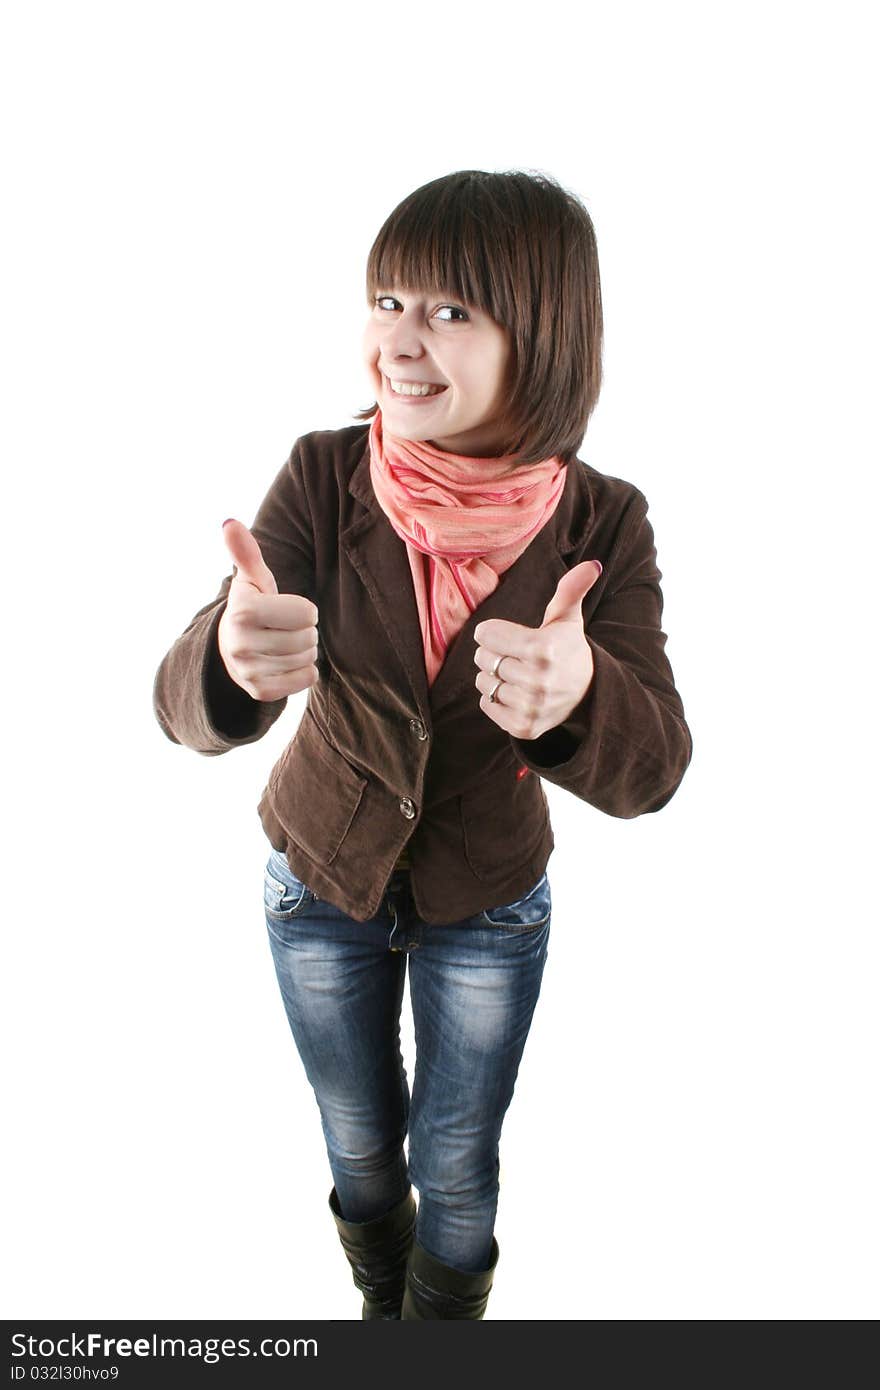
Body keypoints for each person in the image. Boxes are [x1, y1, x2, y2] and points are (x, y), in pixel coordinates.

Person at [152, 168, 693, 1320]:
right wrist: (225, 655)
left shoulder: (605, 519)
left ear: (541, 338)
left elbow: (654, 772)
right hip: (317, 885)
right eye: (387, 299)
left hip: (487, 904)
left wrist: (582, 689)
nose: (399, 342)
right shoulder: (321, 472)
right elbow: (181, 705)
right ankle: (373, 1298)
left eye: (449, 311)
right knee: (358, 1147)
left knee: (455, 1164)